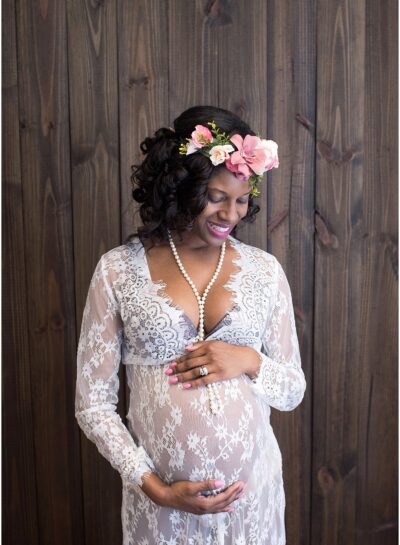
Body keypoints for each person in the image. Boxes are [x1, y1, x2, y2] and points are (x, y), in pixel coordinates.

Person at [75, 105, 307, 545]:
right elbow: (92, 405)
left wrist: (248, 360)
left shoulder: (264, 271)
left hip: (250, 502)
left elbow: (292, 392)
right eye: (217, 198)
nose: (230, 215)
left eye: (241, 201)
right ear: (180, 187)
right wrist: (154, 487)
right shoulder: (117, 271)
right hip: (162, 508)